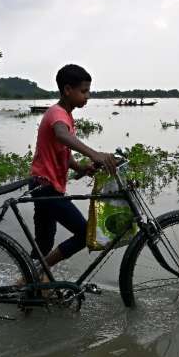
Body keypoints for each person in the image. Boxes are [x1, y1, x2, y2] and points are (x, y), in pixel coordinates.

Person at [27, 64, 117, 284]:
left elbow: (62, 153)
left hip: (43, 185)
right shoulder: (58, 114)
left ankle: (30, 281)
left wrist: (81, 168)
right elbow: (61, 136)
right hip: (45, 186)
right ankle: (33, 276)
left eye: (88, 91)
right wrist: (94, 154)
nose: (87, 96)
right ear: (68, 90)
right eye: (83, 91)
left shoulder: (65, 114)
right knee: (85, 233)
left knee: (44, 243)